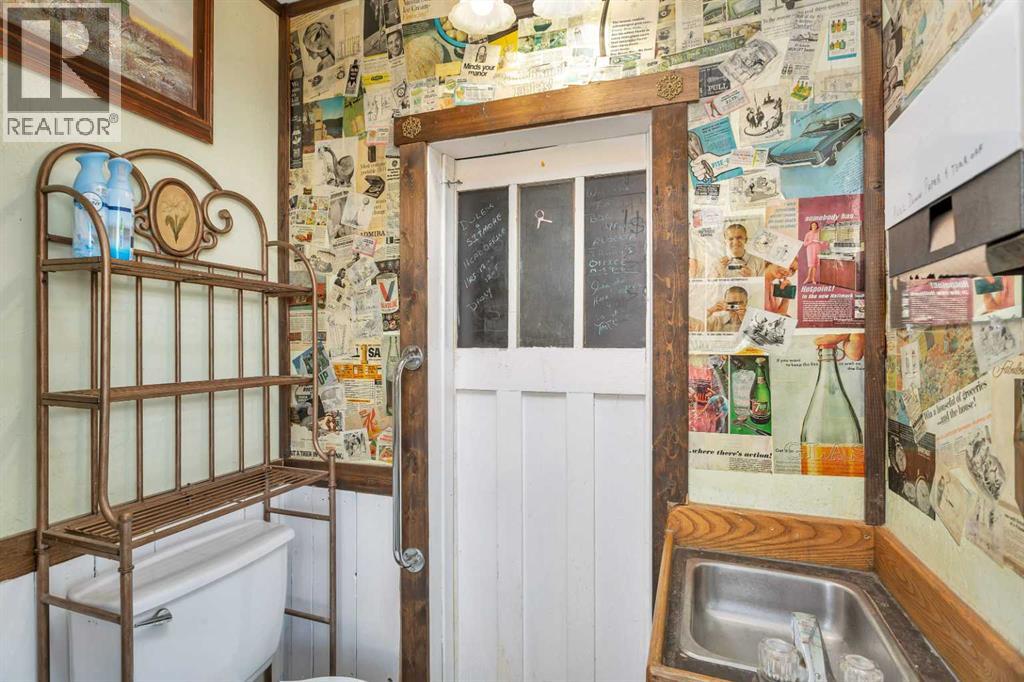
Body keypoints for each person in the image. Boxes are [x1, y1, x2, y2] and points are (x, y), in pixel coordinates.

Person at [803, 220, 828, 285]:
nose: (814, 226)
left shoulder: (819, 233)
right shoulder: (808, 234)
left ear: (817, 226)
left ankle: (813, 279)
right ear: (811, 226)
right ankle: (808, 278)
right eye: (813, 225)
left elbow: (822, 242)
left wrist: (821, 242)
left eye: (815, 225)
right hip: (810, 250)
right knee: (811, 265)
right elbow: (804, 244)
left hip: (817, 249)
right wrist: (811, 241)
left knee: (815, 265)